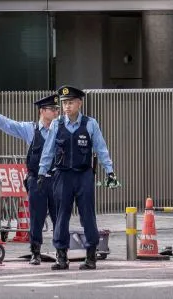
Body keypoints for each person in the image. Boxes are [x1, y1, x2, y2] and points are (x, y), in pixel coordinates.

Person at [36, 85, 121, 271]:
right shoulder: (56, 125)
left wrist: (110, 171)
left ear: (79, 103)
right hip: (62, 175)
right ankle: (61, 257)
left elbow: (101, 148)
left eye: (71, 102)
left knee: (87, 215)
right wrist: (42, 173)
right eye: (64, 103)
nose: (67, 106)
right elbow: (48, 150)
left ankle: (91, 256)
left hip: (84, 175)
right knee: (61, 216)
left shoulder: (90, 124)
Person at [0, 94, 61, 265]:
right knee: (36, 217)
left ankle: (61, 250)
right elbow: (8, 125)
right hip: (37, 180)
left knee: (59, 216)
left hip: (57, 179)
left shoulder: (61, 129)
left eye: (57, 109)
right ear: (42, 111)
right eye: (52, 109)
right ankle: (35, 251)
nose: (56, 112)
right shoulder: (31, 129)